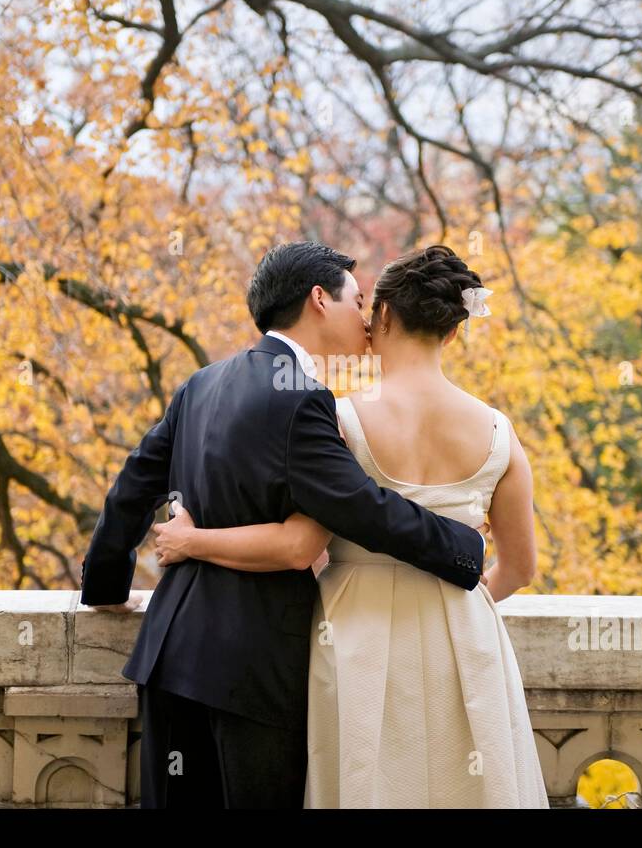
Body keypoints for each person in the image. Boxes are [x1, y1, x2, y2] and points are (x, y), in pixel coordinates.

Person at [79, 241, 486, 808]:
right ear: (319, 299)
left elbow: (131, 489)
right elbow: (360, 506)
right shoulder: (304, 399)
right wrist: (464, 547)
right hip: (254, 669)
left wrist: (104, 586)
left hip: (167, 655)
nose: (367, 319)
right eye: (358, 300)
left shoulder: (201, 383)